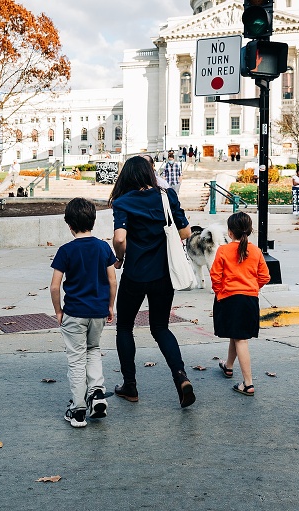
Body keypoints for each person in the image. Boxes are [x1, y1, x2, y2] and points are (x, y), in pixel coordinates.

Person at [109, 156, 196, 408]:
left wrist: (119, 257)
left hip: (135, 274)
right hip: (163, 274)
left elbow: (120, 237)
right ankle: (180, 377)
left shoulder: (122, 201)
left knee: (124, 327)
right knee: (160, 328)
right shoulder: (166, 196)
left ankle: (130, 386)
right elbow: (185, 232)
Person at [50, 198, 118, 428]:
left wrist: (58, 311)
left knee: (76, 359)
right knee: (94, 350)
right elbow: (112, 280)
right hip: (98, 312)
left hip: (74, 313)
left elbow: (54, 285)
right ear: (94, 221)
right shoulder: (103, 247)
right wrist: (110, 306)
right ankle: (97, 393)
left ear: (69, 224)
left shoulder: (66, 251)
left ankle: (78, 409)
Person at [211, 212, 270, 396]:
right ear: (250, 230)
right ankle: (228, 366)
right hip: (249, 299)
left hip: (229, 298)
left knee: (240, 339)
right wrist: (252, 288)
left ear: (230, 232)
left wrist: (221, 292)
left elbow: (215, 277)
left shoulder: (223, 250)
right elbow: (265, 276)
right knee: (237, 334)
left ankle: (248, 383)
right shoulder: (256, 251)